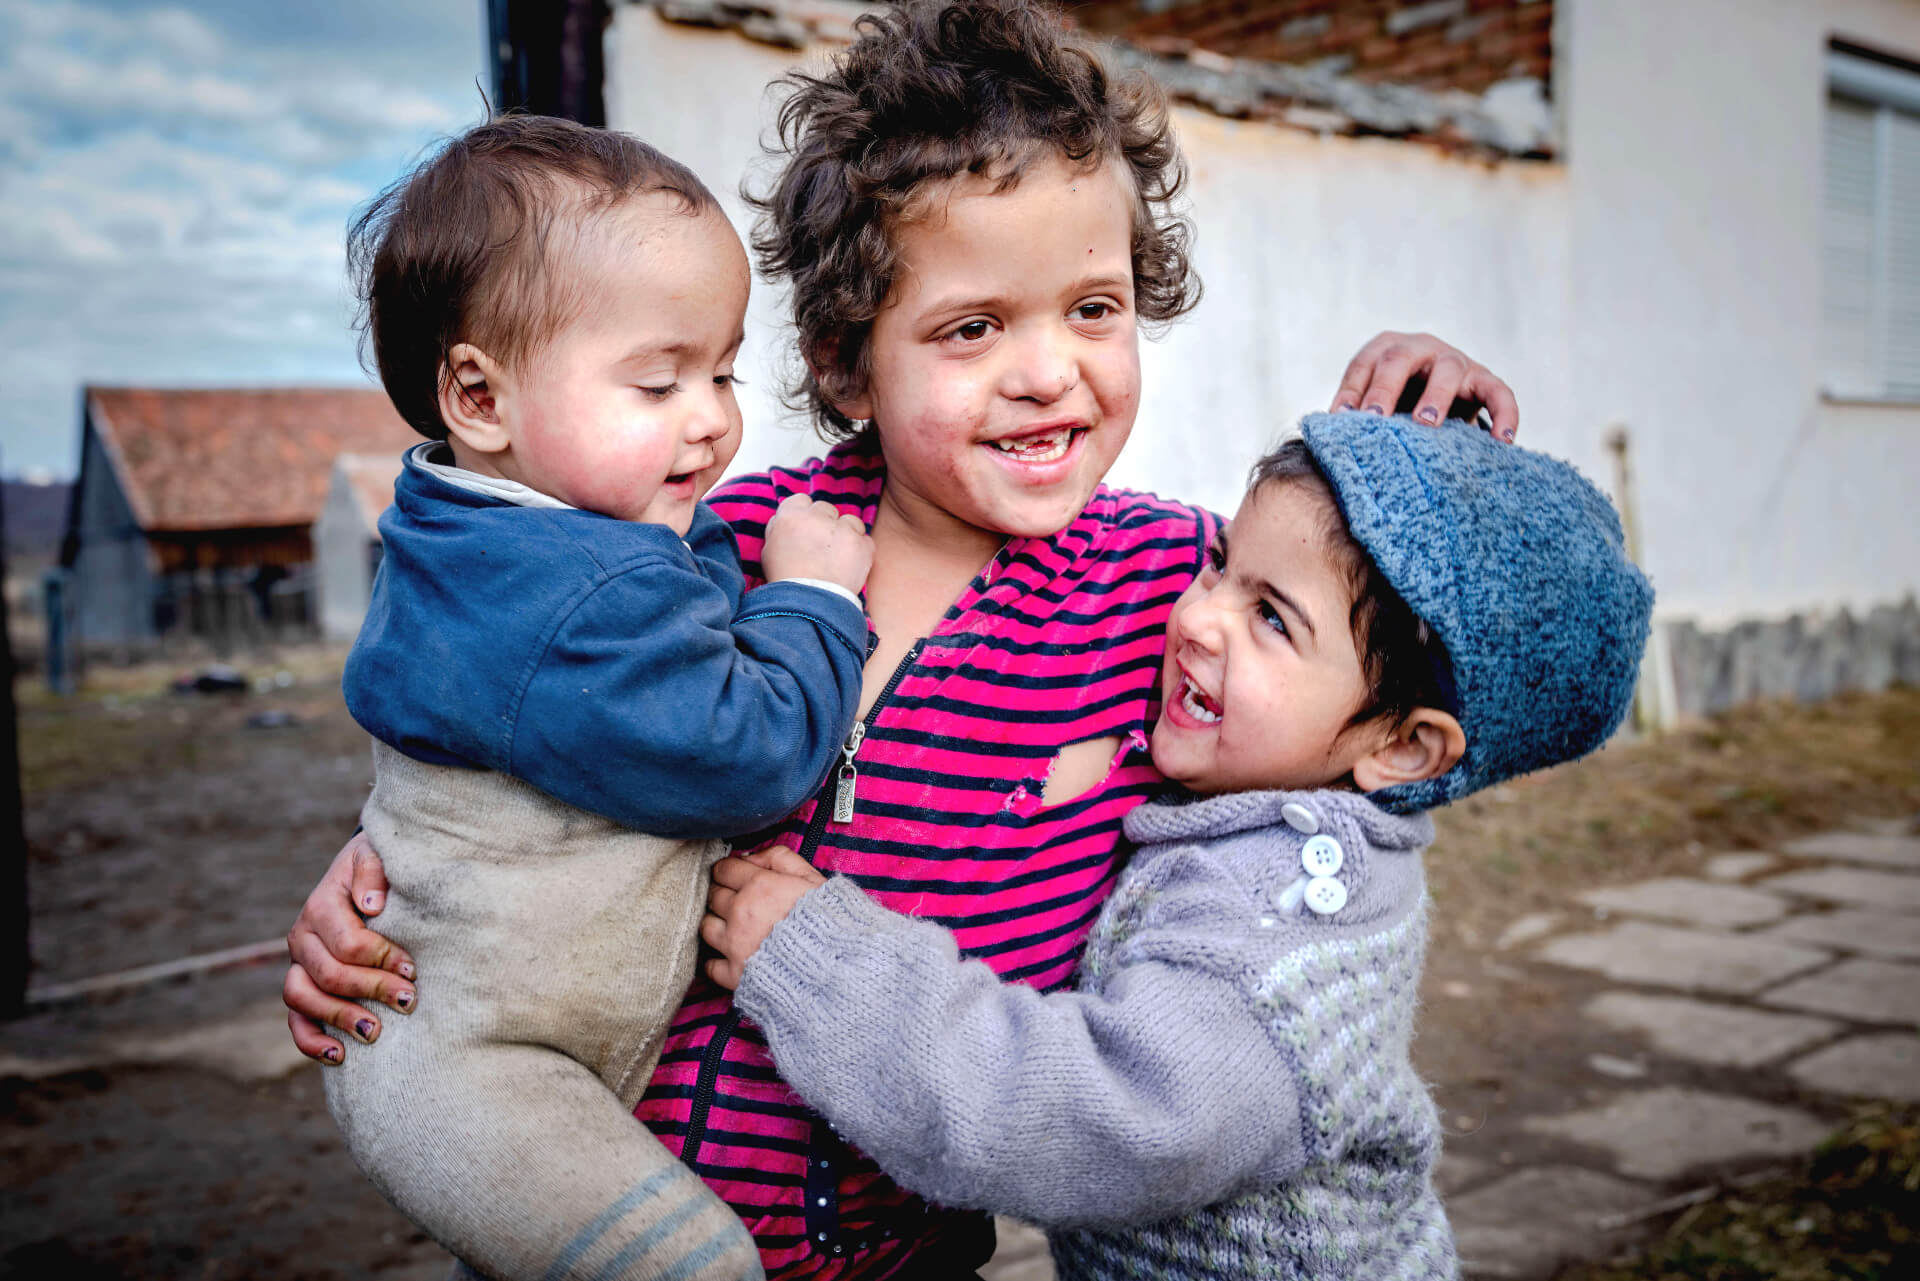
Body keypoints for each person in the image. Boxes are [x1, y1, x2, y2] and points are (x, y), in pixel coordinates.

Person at [283, 2, 1523, 1275]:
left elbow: (1381, 658)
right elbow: (518, 709)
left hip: (905, 1247)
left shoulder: (1178, 589)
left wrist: (1434, 450)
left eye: (1093, 309)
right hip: (605, 1217)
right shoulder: (725, 544)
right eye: (973, 327)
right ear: (845, 363)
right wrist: (380, 883)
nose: (1049, 373)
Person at [700, 413, 1655, 1280]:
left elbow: (1095, 1121)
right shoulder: (1274, 788)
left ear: (1403, 747)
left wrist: (821, 964)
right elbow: (1359, 592)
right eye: (1219, 567)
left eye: (1270, 618)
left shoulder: (1286, 944)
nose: (1196, 617)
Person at [320, 114, 877, 1281]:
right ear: (479, 398)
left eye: (721, 370)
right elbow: (747, 748)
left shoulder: (485, 535)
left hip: (493, 1040)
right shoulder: (570, 592)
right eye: (658, 381)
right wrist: (816, 599)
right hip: (483, 1066)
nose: (713, 418)